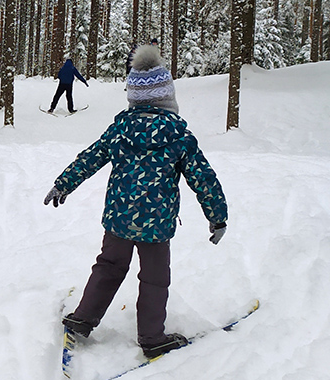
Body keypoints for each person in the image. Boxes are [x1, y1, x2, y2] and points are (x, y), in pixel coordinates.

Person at [43, 44, 228, 359]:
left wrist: (64, 184)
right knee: (154, 279)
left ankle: (83, 318)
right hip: (156, 226)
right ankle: (152, 338)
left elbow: (91, 157)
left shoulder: (120, 128)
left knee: (109, 267)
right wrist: (217, 216)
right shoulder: (178, 133)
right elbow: (203, 178)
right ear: (167, 97)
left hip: (119, 219)